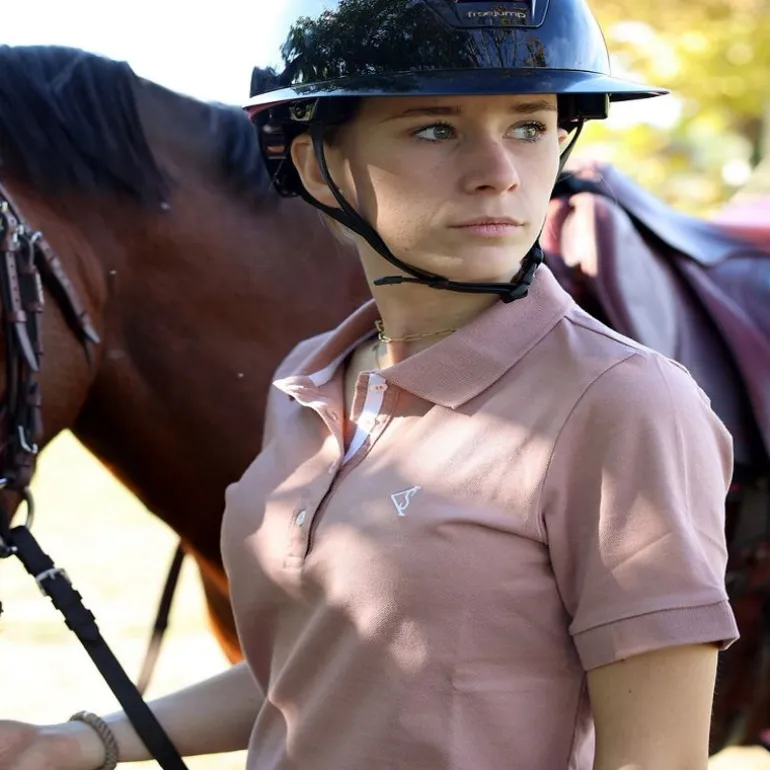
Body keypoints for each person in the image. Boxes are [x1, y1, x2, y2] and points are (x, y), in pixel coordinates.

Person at [0, 1, 740, 768]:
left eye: (528, 126)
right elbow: (330, 665)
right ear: (319, 164)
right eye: (435, 129)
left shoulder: (623, 402)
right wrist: (84, 740)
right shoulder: (305, 381)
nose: (498, 174)